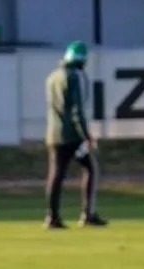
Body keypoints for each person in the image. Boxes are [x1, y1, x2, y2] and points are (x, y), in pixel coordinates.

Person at [44, 40, 108, 229]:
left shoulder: (52, 77)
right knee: (90, 167)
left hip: (54, 134)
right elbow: (76, 110)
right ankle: (88, 214)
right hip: (72, 136)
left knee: (56, 175)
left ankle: (52, 216)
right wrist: (86, 136)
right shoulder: (73, 77)